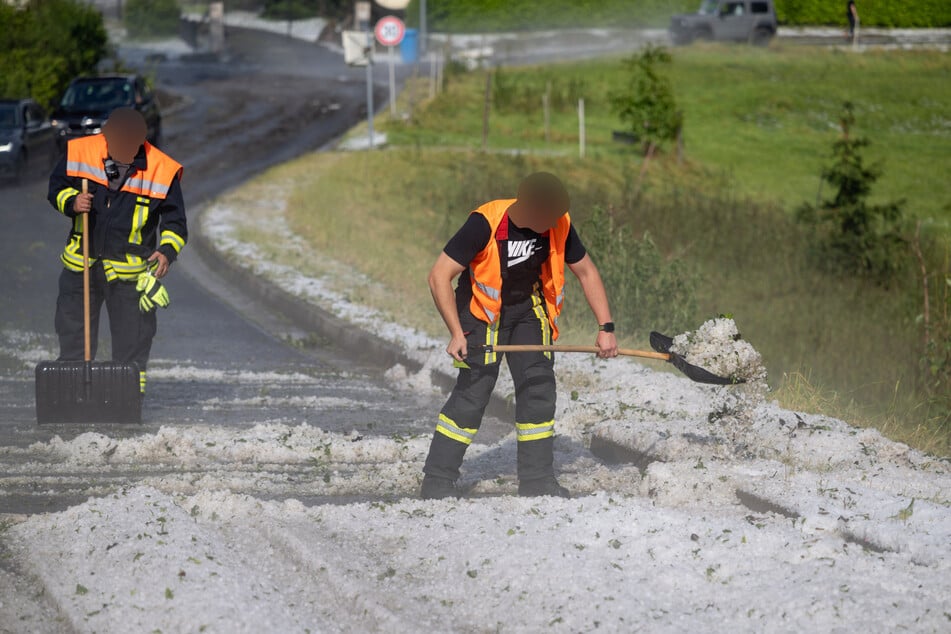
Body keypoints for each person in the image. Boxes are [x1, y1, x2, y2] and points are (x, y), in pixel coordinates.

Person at [421, 172, 618, 499]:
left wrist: (606, 328)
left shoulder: (559, 223)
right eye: (547, 216)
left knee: (539, 386)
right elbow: (438, 276)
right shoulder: (485, 222)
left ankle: (537, 481)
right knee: (474, 393)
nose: (554, 222)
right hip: (482, 312)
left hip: (528, 310)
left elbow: (586, 271)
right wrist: (456, 333)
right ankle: (437, 481)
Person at [47, 107, 187, 396]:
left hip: (130, 278)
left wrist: (166, 251)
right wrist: (72, 201)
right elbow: (56, 187)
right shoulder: (81, 152)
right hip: (81, 267)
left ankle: (126, 398)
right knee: (75, 338)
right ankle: (73, 397)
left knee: (132, 342)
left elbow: (175, 224)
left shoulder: (161, 170)